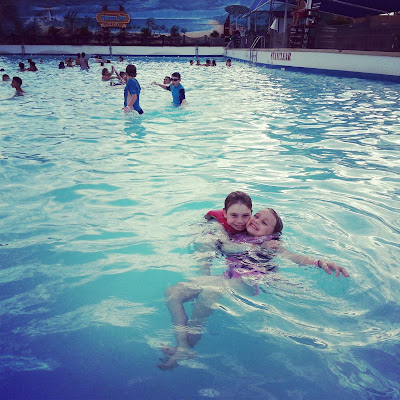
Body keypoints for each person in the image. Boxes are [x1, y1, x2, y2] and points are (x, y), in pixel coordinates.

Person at [158, 207, 349, 370]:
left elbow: (294, 257)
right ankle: (182, 346)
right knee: (173, 292)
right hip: (228, 278)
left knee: (210, 292)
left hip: (249, 282)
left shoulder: (270, 243)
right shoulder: (237, 236)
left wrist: (318, 262)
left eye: (264, 223)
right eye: (256, 216)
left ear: (271, 233)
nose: (257, 221)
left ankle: (187, 347)